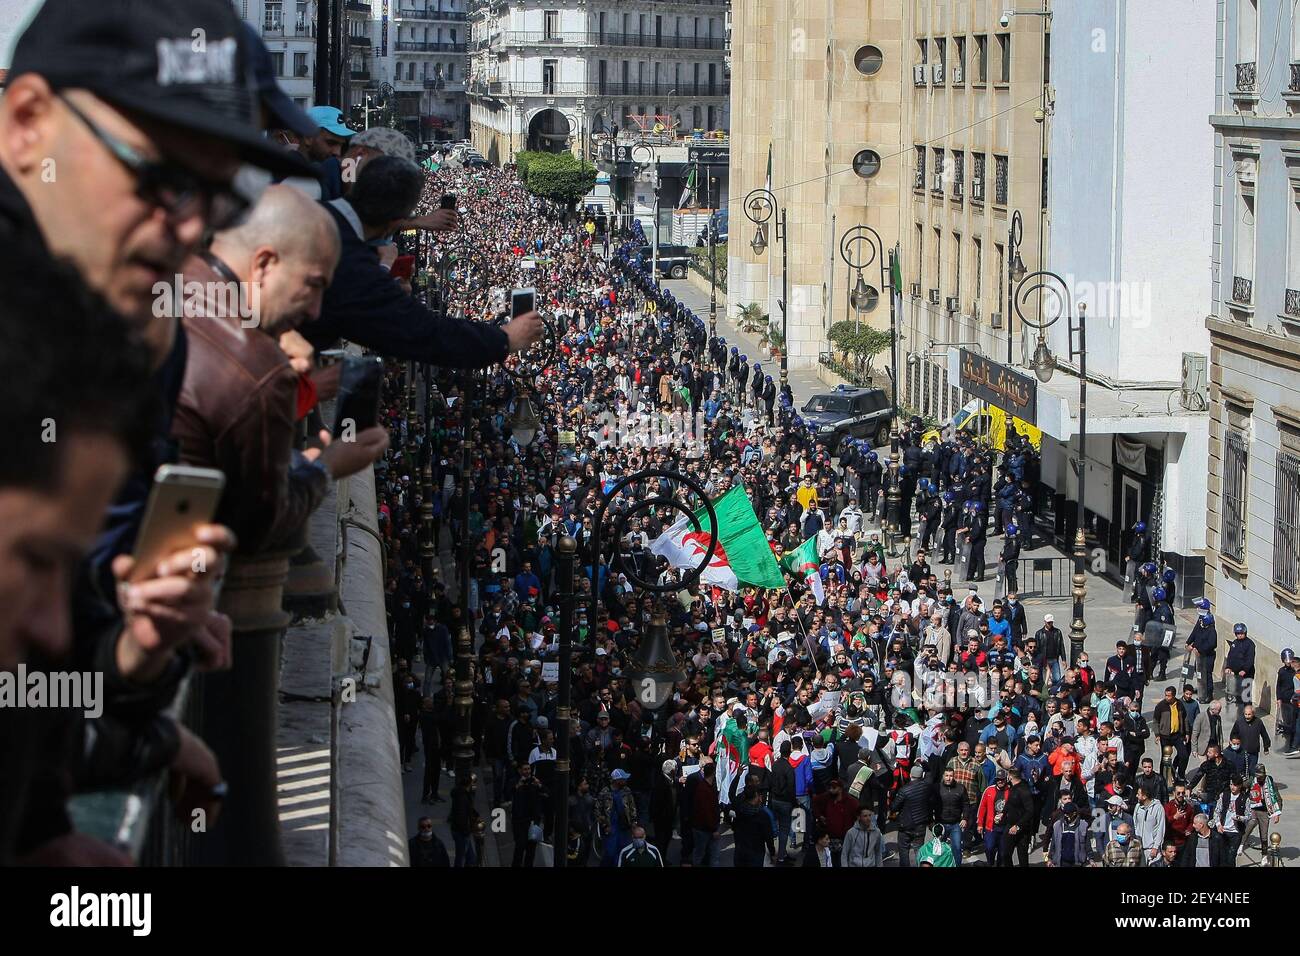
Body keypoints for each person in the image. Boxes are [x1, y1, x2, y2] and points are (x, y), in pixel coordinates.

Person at [305, 155, 544, 367]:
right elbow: (424, 332)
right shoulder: (352, 262)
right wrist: (505, 339)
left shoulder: (313, 212)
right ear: (398, 219)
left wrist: (384, 283)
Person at [1238, 764, 1281, 857]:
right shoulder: (1252, 780)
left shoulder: (1270, 781)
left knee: (1264, 833)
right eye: (1257, 777)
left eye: (1261, 777)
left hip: (1265, 811)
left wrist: (1277, 813)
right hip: (1253, 808)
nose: (1259, 779)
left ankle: (1264, 855)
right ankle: (1241, 845)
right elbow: (1242, 786)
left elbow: (1277, 797)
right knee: (1250, 825)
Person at [1186, 597, 1218, 703]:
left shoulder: (1210, 628)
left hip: (1207, 655)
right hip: (1199, 654)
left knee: (1207, 674)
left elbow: (1211, 644)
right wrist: (1189, 642)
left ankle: (1208, 693)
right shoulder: (1201, 619)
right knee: (1198, 671)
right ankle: (1201, 689)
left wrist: (1199, 649)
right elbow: (1196, 632)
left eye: (1199, 607)